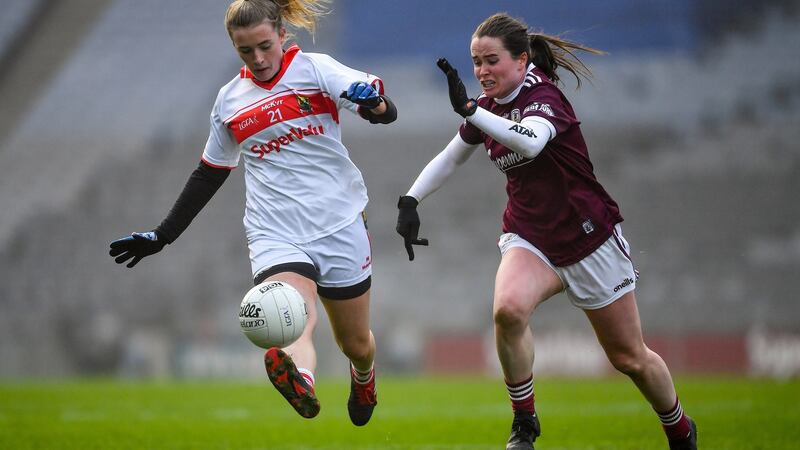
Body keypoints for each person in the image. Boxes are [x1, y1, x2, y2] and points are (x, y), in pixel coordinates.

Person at [396, 12, 697, 450]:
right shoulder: (487, 105)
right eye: (476, 61)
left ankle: (680, 429)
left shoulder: (544, 96)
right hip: (531, 236)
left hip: (589, 239)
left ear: (522, 61)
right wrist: (410, 200)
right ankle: (524, 423)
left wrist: (471, 111)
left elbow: (530, 141)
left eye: (491, 60)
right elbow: (452, 155)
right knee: (508, 310)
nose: (481, 71)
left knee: (629, 358)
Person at [109, 0, 397, 426]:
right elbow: (208, 174)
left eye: (265, 46)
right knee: (291, 312)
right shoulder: (229, 101)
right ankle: (300, 377)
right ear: (234, 47)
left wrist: (372, 103)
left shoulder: (316, 70)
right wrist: (163, 234)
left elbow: (386, 112)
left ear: (282, 36)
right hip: (274, 229)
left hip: (339, 222)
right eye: (246, 51)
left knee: (355, 341)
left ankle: (364, 375)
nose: (258, 58)